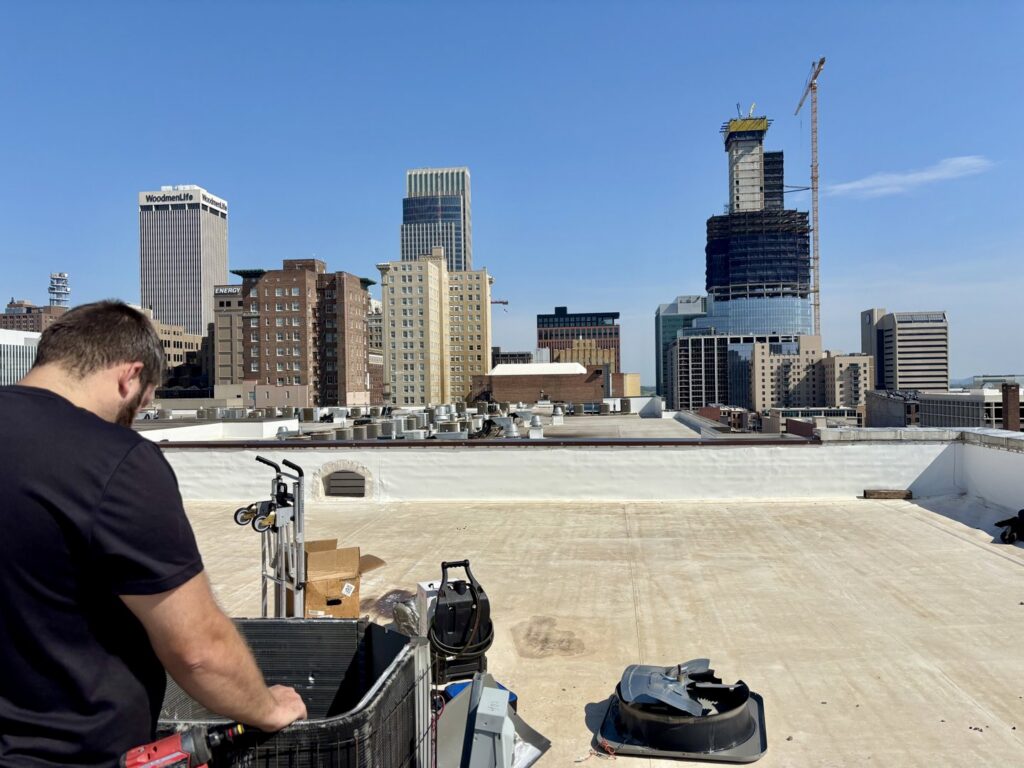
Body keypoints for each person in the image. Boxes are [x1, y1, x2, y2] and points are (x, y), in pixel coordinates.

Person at [0, 301, 307, 767]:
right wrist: (267, 708)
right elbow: (198, 649)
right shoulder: (115, 461)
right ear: (130, 377)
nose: (133, 421)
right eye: (141, 407)